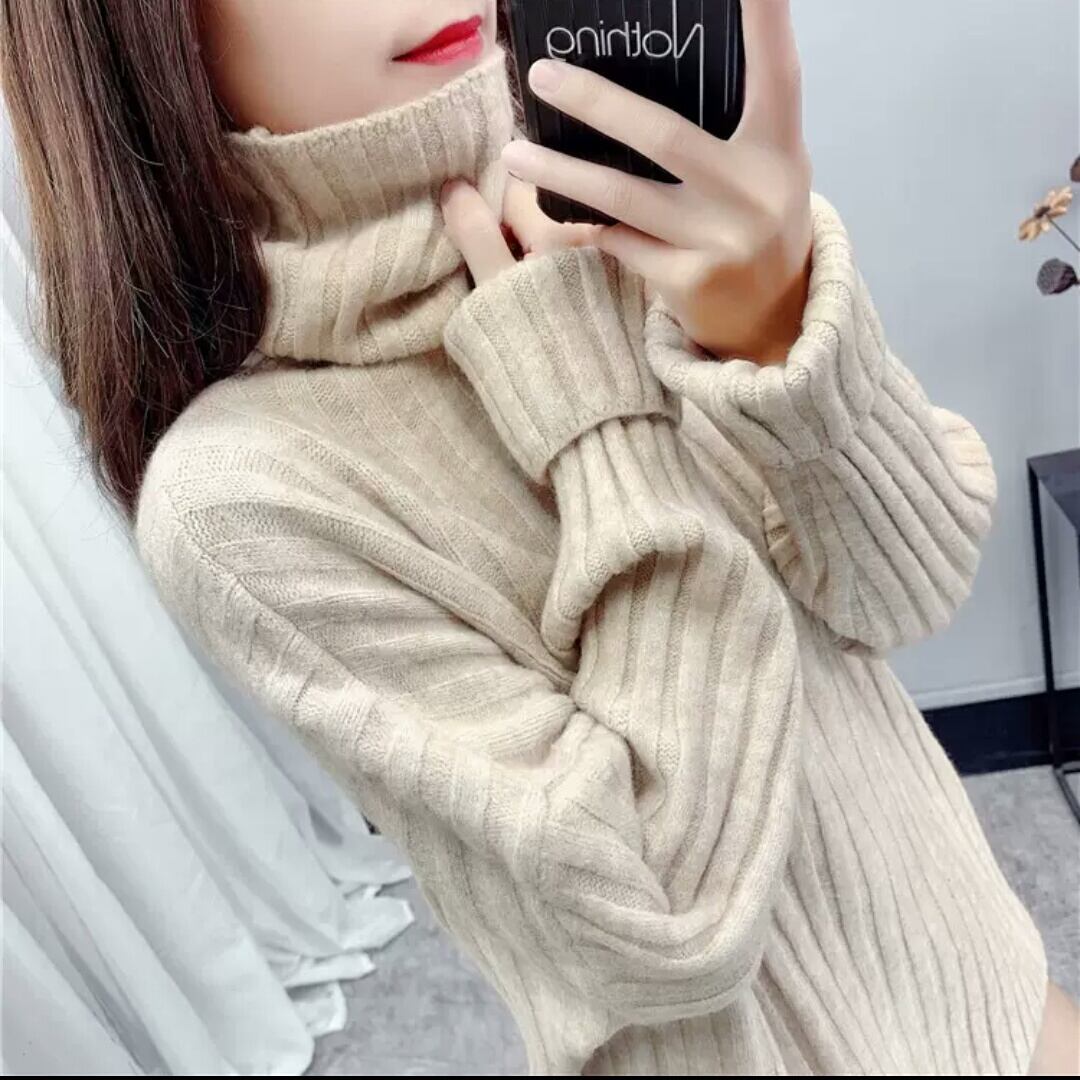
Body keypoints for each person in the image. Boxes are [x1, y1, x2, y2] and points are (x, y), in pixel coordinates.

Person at [2, 1, 1076, 1073]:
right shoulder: (240, 495)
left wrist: (781, 319)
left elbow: (913, 587)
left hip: (989, 974)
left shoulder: (639, 199)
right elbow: (665, 923)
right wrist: (600, 416)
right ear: (139, 30)